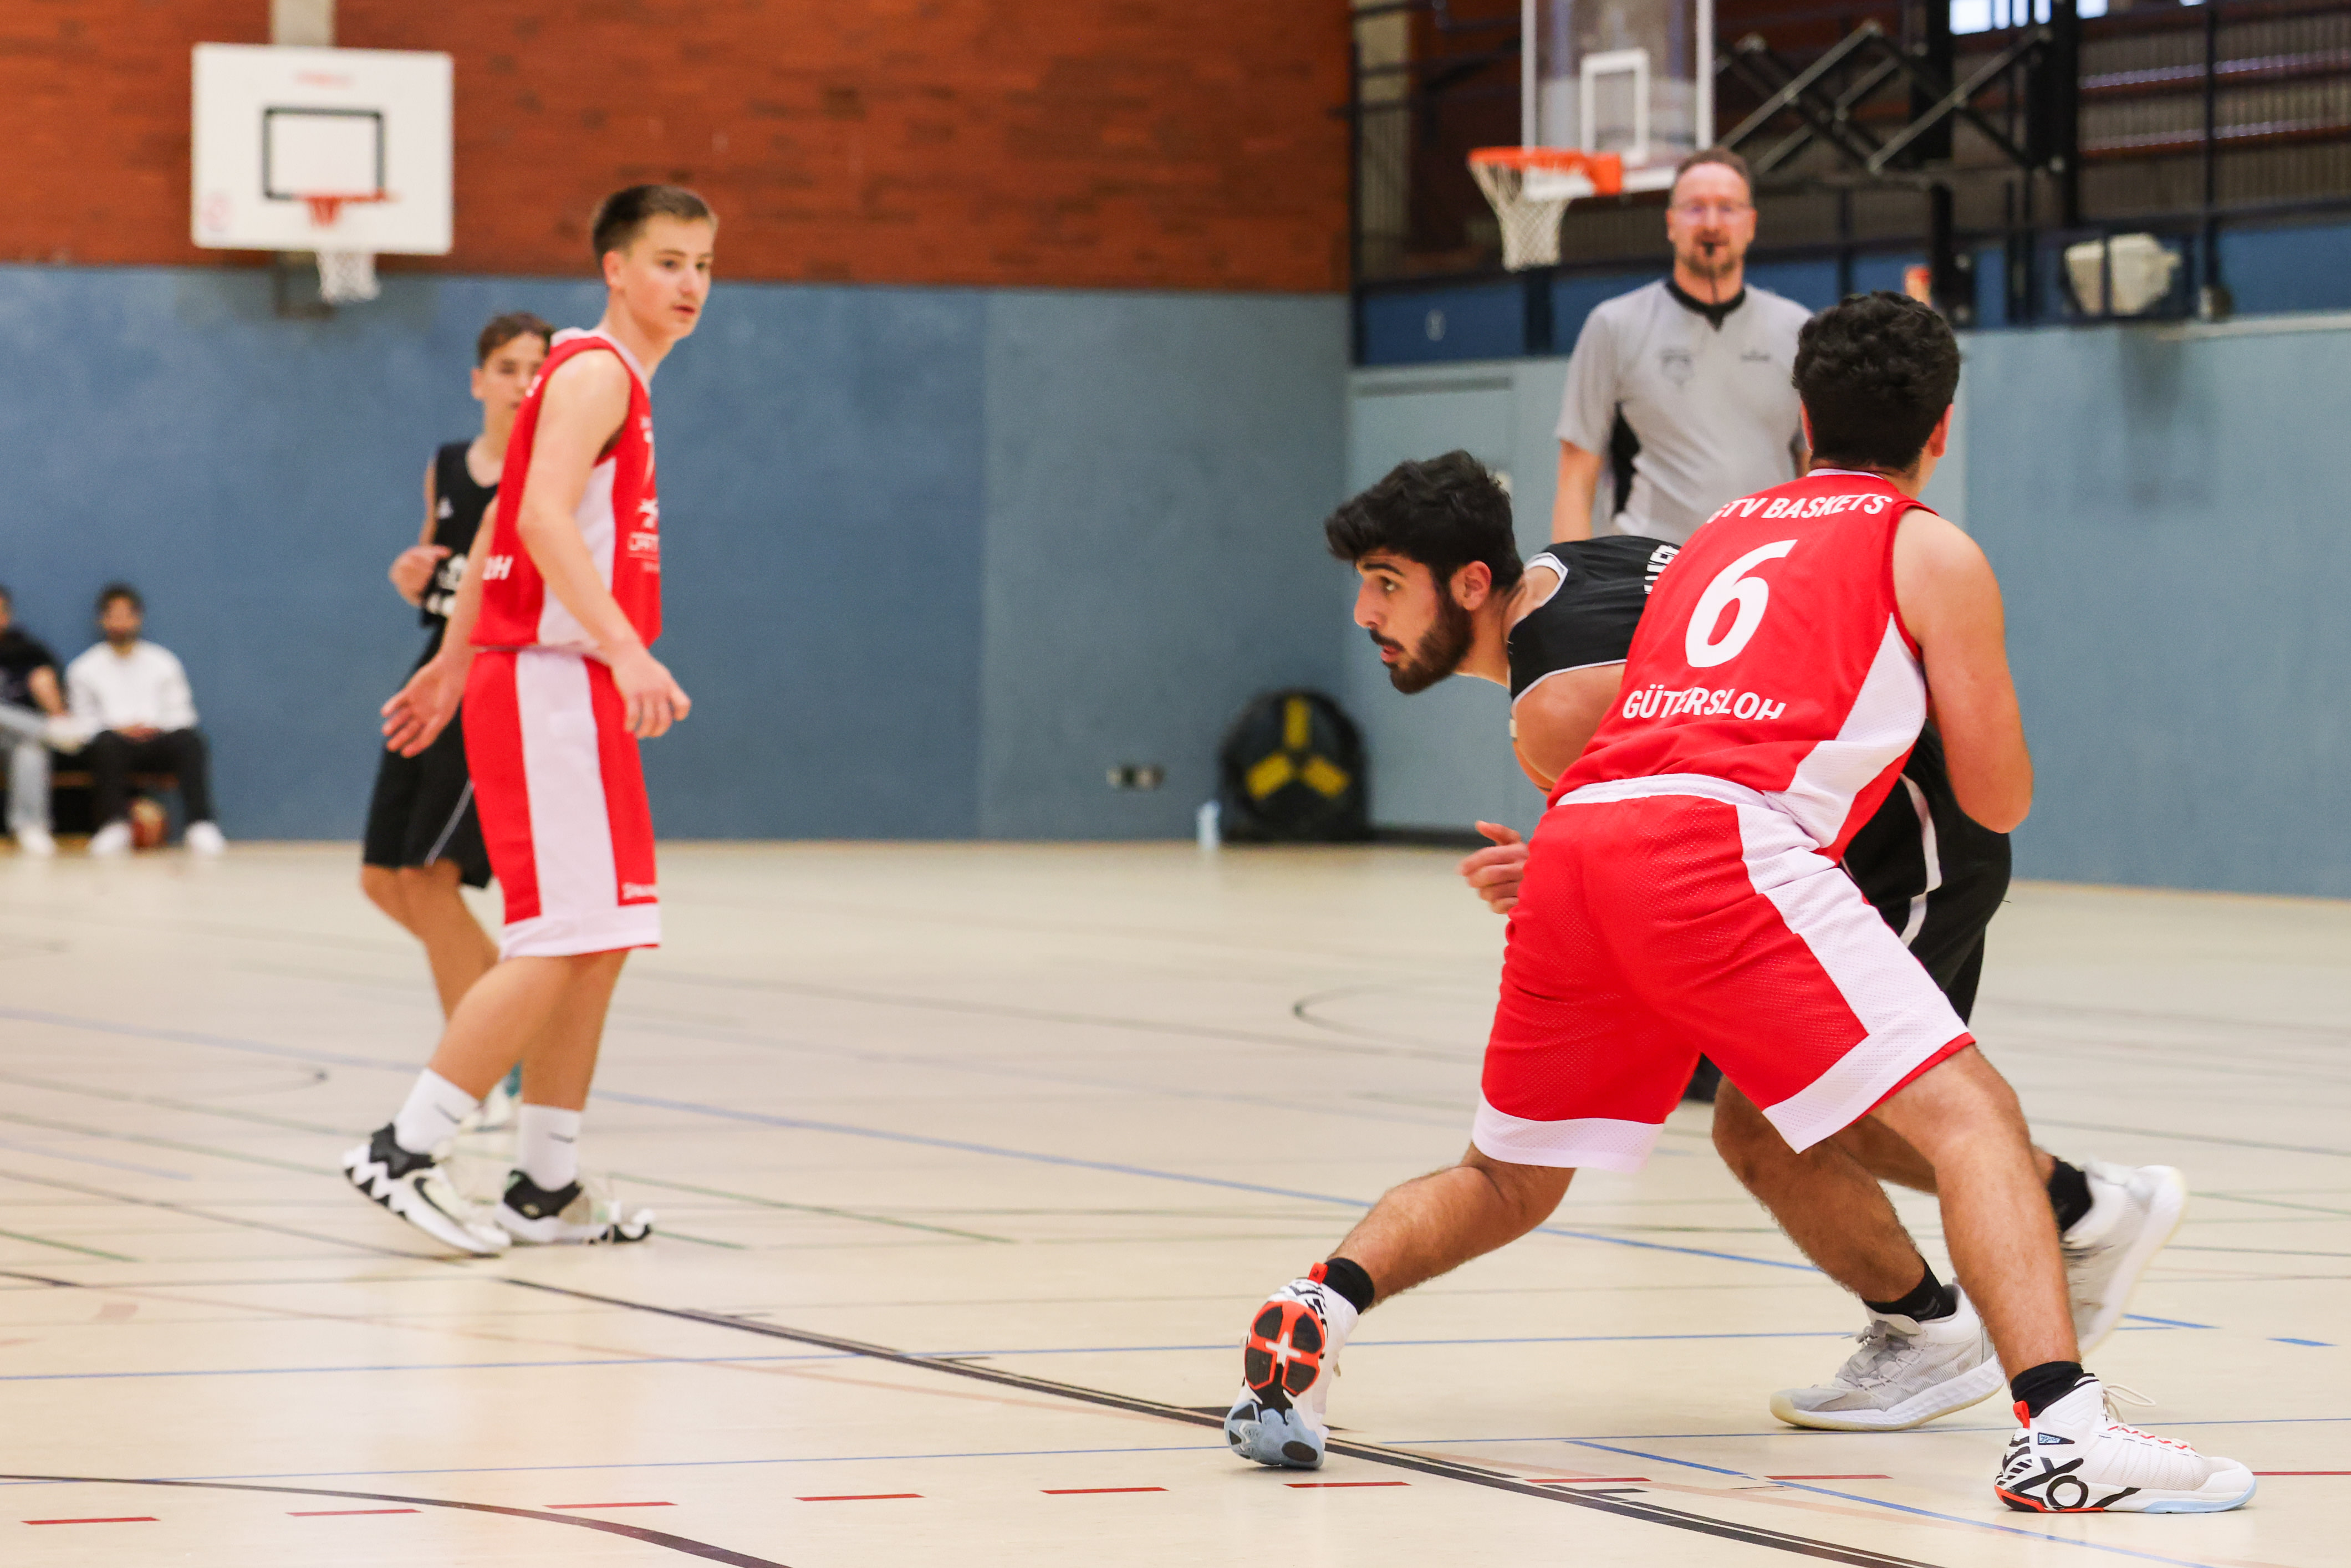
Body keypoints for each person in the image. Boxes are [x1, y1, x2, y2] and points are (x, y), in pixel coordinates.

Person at [1228, 295, 2252, 1514]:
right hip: (1733, 841)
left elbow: (1662, 725)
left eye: (1382, 584)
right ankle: (2063, 1418)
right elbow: (1990, 796)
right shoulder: (1912, 547)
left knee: (1518, 1172)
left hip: (1600, 850)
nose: (1367, 611)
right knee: (1966, 1118)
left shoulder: (1718, 529)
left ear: (1798, 417)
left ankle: (1321, 1299)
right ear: (1941, 428)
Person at [1323, 450, 2185, 1434]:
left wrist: (1573, 875)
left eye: (1386, 584)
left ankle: (2064, 1256)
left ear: (1471, 582)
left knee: (1821, 1117)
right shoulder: (1579, 565)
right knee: (1776, 1119)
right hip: (1817, 829)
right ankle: (1977, 1289)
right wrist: (1566, 860)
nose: (1366, 614)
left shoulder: (1553, 705)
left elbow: (1684, 804)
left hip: (1888, 836)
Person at [342, 185, 712, 1254]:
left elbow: (503, 515)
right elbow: (541, 517)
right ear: (615, 269)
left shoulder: (609, 378)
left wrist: (451, 659)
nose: (689, 283)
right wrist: (625, 645)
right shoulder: (597, 371)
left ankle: (544, 1182)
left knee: (602, 941)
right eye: (668, 261)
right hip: (555, 677)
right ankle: (404, 1148)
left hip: (559, 676)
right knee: (554, 940)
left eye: (702, 264)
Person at [361, 312, 552, 1126]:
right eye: (508, 368)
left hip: (495, 678)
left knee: (431, 878)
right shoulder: (447, 466)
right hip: (434, 667)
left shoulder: (553, 475)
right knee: (382, 878)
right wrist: (410, 573)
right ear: (479, 380)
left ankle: (472, 1070)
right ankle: (517, 1016)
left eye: (537, 370)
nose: (522, 383)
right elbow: (436, 571)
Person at [1550, 147, 1811, 545]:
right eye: (1695, 208)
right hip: (1649, 566)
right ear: (1670, 223)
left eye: (1727, 208)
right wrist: (1569, 577)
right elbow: (1575, 477)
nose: (1711, 223)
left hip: (1765, 563)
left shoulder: (1796, 329)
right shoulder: (1614, 326)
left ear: (1751, 224)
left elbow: (1814, 467)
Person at [64, 584, 225, 856]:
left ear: (138, 618)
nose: (121, 623)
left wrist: (156, 727)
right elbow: (82, 721)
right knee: (104, 743)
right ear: (102, 620)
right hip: (115, 744)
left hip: (159, 740)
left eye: (127, 615)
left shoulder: (163, 662)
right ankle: (115, 826)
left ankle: (201, 825)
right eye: (114, 616)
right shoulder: (84, 668)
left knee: (190, 741)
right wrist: (119, 729)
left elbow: (183, 712)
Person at [0, 584, 80, 857]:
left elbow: (53, 686)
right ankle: (50, 732)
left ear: (7, 616)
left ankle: (30, 826)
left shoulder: (29, 651)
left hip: (13, 736)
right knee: (40, 736)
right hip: (31, 727)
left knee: (31, 749)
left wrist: (53, 703)